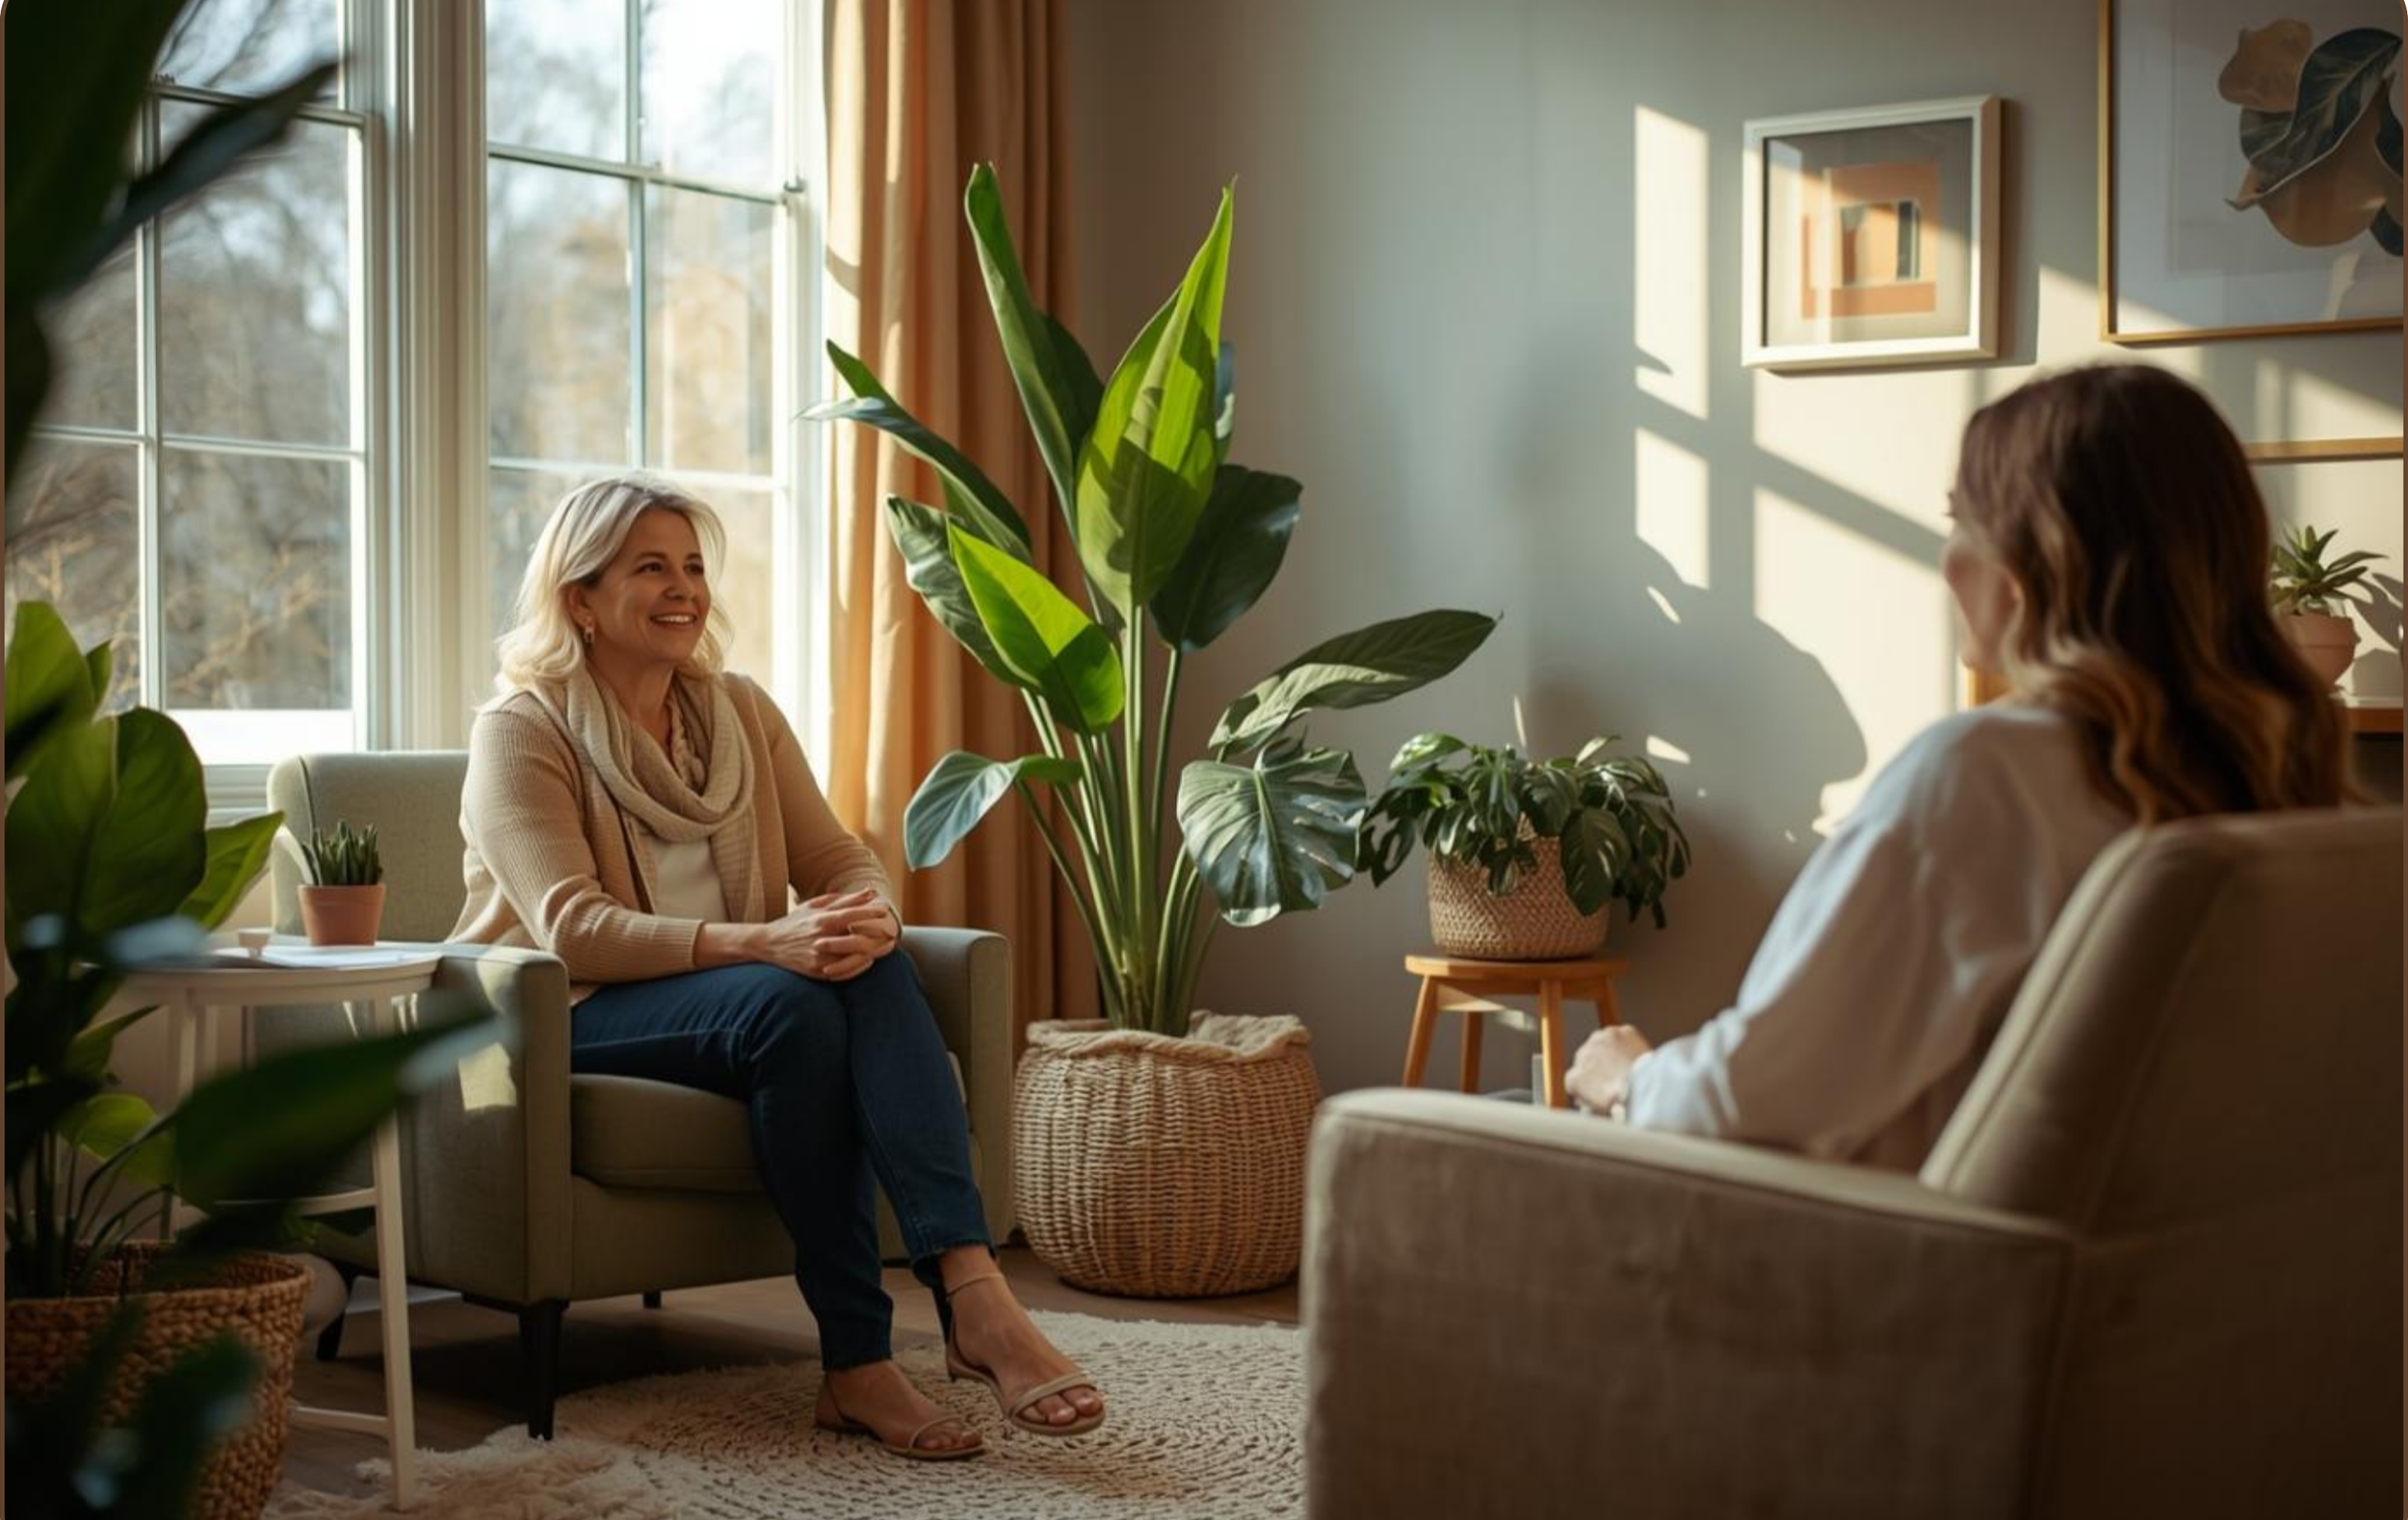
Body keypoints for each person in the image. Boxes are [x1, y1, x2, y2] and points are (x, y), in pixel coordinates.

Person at [454, 475, 1105, 1459]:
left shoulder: (738, 712)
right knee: (789, 1001)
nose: (684, 589)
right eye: (650, 568)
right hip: (569, 1011)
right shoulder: (523, 729)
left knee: (853, 973)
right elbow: (571, 927)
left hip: (750, 1004)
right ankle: (922, 1334)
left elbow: (836, 860)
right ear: (578, 598)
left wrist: (868, 919)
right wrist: (766, 942)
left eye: (694, 566)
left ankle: (925, 1326)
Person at [1564, 364, 2349, 1167]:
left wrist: (1633, 1077)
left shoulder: (1985, 780)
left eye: (1960, 522)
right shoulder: (2302, 797)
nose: (1946, 562)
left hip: (1894, 1269)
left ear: (2030, 566)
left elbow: (1755, 1109)